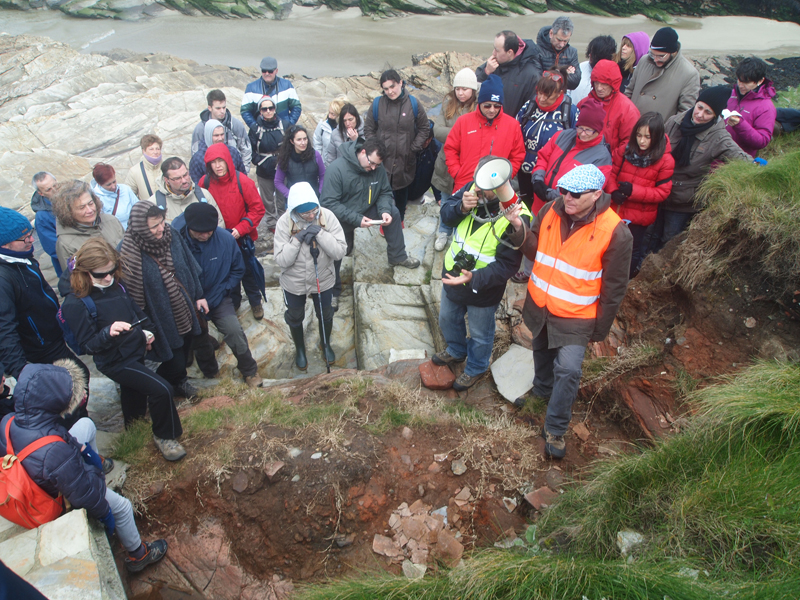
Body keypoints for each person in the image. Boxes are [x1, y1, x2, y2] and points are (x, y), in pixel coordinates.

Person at [0, 360, 169, 572]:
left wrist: (79, 451)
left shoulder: (9, 420)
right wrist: (106, 515)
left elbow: (52, 439)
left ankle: (98, 462)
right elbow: (87, 496)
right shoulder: (55, 452)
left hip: (37, 467)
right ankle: (138, 555)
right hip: (50, 492)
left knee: (86, 425)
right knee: (123, 508)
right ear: (52, 400)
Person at [517, 164, 633, 458]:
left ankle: (555, 428)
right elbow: (534, 250)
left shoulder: (615, 232)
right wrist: (518, 231)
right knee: (540, 351)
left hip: (577, 316)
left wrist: (599, 328)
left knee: (568, 370)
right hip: (541, 303)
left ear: (596, 195)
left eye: (575, 194)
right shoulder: (551, 210)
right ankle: (541, 391)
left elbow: (615, 287)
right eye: (564, 190)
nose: (566, 198)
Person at [60, 238, 187, 461]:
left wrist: (147, 331)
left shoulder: (115, 284)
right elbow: (88, 345)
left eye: (112, 270)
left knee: (133, 393)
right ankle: (165, 437)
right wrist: (108, 331)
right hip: (115, 361)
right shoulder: (75, 304)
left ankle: (134, 432)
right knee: (162, 389)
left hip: (134, 351)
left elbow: (135, 311)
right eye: (101, 274)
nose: (108, 277)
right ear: (84, 272)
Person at [434, 161, 531, 391]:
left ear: (500, 186)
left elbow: (507, 266)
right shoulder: (471, 190)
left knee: (480, 333)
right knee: (447, 319)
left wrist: (473, 278)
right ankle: (456, 350)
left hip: (483, 288)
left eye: (484, 186)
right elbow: (446, 216)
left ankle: (476, 367)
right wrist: (461, 208)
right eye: (476, 181)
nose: (477, 189)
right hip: (453, 275)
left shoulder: (517, 215)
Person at [0, 207, 91, 428]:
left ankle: (81, 424)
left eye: (30, 233)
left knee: (79, 379)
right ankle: (72, 433)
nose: (32, 239)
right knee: (70, 386)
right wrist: (22, 371)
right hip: (39, 348)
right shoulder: (3, 278)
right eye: (24, 237)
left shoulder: (22, 258)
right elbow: (5, 328)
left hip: (51, 338)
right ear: (5, 243)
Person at [119, 201, 206, 401]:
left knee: (184, 349)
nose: (160, 228)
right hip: (158, 316)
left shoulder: (171, 235)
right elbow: (130, 294)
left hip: (183, 307)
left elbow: (189, 266)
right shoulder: (128, 252)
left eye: (161, 222)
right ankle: (159, 389)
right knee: (172, 358)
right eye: (154, 226)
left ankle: (179, 383)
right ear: (141, 227)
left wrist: (199, 295)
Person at [320, 139, 421, 310]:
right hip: (340, 219)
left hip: (366, 210)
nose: (374, 168)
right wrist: (356, 219)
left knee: (394, 213)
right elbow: (329, 204)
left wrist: (384, 211)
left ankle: (398, 256)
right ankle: (333, 291)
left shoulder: (377, 169)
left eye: (377, 164)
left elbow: (384, 192)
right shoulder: (337, 169)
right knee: (335, 253)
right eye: (372, 163)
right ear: (362, 152)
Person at [175, 203, 263, 387]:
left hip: (218, 296)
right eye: (200, 232)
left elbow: (238, 270)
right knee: (198, 337)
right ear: (189, 227)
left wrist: (221, 292)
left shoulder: (225, 239)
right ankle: (211, 373)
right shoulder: (176, 243)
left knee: (234, 331)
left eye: (210, 231)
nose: (206, 235)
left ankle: (249, 370)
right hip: (188, 300)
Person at [658, 86, 750, 247]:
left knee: (668, 242)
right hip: (659, 192)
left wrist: (760, 167)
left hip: (683, 202)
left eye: (708, 112)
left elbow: (742, 160)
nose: (700, 115)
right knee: (648, 237)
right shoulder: (675, 122)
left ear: (716, 115)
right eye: (699, 107)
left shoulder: (719, 137)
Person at [513, 68, 578, 284]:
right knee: (525, 213)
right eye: (539, 92)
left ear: (559, 93)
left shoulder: (569, 112)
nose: (541, 98)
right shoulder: (529, 106)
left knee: (548, 221)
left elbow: (575, 144)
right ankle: (525, 252)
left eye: (547, 94)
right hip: (524, 170)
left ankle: (545, 263)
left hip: (550, 177)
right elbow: (515, 129)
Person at [274, 182, 347, 371]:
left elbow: (340, 251)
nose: (312, 216)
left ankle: (326, 344)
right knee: (295, 315)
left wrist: (321, 234)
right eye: (306, 213)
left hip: (322, 277)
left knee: (326, 313)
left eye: (315, 210)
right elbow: (282, 260)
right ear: (295, 210)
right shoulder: (284, 223)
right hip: (294, 281)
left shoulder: (327, 217)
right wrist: (297, 240)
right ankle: (300, 349)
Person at [199, 143, 266, 319]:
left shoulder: (243, 181)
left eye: (221, 160)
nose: (218, 165)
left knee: (248, 272)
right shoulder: (204, 184)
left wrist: (240, 228)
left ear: (228, 160)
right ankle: (234, 303)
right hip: (218, 241)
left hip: (241, 239)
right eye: (213, 162)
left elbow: (257, 209)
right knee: (227, 276)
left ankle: (255, 302)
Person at [443, 74, 525, 218]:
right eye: (487, 105)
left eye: (497, 106)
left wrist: (506, 177)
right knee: (456, 219)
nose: (492, 110)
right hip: (465, 185)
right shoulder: (463, 121)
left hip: (496, 188)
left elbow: (517, 155)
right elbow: (450, 149)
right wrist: (457, 172)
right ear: (479, 103)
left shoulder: (512, 125)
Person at [607, 112, 674, 277]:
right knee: (608, 246)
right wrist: (613, 190)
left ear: (656, 137)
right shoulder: (625, 150)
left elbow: (662, 192)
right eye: (638, 135)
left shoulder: (665, 161)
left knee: (630, 251)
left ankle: (623, 284)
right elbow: (610, 172)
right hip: (615, 210)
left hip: (639, 218)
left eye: (647, 137)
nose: (641, 141)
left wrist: (633, 191)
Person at [364, 69, 430, 222]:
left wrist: (413, 148)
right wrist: (375, 150)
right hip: (382, 160)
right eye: (386, 89)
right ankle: (382, 219)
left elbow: (424, 128)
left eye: (392, 86)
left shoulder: (413, 103)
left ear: (400, 83)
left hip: (405, 159)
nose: (390, 91)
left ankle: (399, 219)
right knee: (381, 191)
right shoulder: (377, 104)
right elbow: (369, 128)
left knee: (402, 191)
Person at [530, 98, 612, 213]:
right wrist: (538, 180)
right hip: (539, 206)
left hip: (563, 211)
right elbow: (543, 157)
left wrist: (550, 194)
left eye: (588, 130)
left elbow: (587, 192)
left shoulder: (602, 158)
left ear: (598, 130)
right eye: (580, 128)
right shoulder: (562, 136)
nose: (583, 134)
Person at [431, 68, 479, 252]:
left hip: (468, 164)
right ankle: (444, 232)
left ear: (473, 90)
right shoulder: (448, 105)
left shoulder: (478, 108)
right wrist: (462, 133)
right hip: (446, 163)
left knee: (465, 199)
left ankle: (461, 234)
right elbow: (437, 131)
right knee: (446, 198)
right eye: (458, 88)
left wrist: (454, 135)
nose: (460, 92)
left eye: (465, 89)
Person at [623, 27, 701, 121]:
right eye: (652, 54)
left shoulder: (689, 74)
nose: (655, 60)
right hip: (629, 125)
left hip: (657, 133)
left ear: (673, 52)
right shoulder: (644, 60)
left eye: (661, 56)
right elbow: (629, 92)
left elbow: (684, 115)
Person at [52, 180, 125, 272]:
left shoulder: (112, 220)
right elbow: (75, 279)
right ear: (68, 212)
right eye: (82, 207)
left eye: (91, 203)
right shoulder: (65, 244)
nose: (90, 210)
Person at [578, 60, 641, 155]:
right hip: (582, 157)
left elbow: (629, 142)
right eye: (596, 83)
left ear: (613, 84)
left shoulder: (628, 110)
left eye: (604, 84)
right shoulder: (584, 103)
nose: (599, 88)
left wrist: (610, 160)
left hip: (610, 162)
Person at [250, 96, 291, 235]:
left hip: (281, 167)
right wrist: (259, 162)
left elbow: (290, 144)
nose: (268, 111)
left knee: (281, 197)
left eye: (271, 108)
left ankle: (282, 220)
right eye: (264, 109)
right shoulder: (255, 129)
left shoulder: (284, 125)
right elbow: (250, 150)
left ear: (275, 109)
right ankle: (271, 223)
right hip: (264, 169)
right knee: (267, 199)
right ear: (260, 111)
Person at [475, 30, 540, 118]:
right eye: (494, 48)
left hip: (512, 126)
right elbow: (473, 88)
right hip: (487, 123)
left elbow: (532, 107)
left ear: (509, 52)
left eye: (497, 50)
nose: (493, 53)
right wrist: (486, 72)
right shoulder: (492, 64)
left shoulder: (531, 75)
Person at [147, 157, 224, 227]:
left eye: (185, 175)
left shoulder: (204, 195)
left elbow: (219, 225)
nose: (184, 181)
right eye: (177, 178)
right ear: (167, 181)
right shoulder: (154, 203)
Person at [725, 57, 777, 158]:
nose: (740, 85)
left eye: (746, 82)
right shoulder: (729, 95)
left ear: (760, 80)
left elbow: (762, 141)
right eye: (739, 80)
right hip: (713, 154)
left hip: (737, 160)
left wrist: (740, 124)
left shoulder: (766, 107)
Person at [191, 89, 252, 171]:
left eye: (224, 107)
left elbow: (246, 149)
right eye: (218, 108)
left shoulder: (236, 125)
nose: (222, 111)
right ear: (210, 108)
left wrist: (244, 172)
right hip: (210, 176)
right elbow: (195, 154)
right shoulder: (200, 129)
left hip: (234, 174)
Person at [240, 57, 301, 128]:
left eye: (270, 71)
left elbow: (296, 107)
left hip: (283, 131)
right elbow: (245, 111)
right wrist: (255, 127)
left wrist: (289, 125)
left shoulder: (287, 85)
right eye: (264, 71)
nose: (267, 73)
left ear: (276, 71)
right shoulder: (251, 88)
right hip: (261, 132)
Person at [275, 124, 326, 199]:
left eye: (305, 139)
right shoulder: (285, 158)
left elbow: (323, 175)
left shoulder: (315, 155)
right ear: (292, 141)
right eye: (299, 140)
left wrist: (320, 192)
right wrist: (290, 195)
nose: (303, 143)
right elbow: (278, 181)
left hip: (314, 198)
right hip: (294, 200)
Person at [189, 119, 247, 184]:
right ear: (208, 136)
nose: (220, 138)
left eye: (222, 134)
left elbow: (242, 176)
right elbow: (197, 185)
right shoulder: (197, 159)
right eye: (216, 135)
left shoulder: (232, 152)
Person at [533, 16, 581, 91]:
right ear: (551, 33)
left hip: (561, 96)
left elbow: (575, 82)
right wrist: (564, 74)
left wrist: (550, 75)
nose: (561, 45)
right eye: (559, 40)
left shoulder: (572, 52)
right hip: (541, 94)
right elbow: (537, 79)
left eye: (565, 41)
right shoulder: (536, 50)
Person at [568, 35, 617, 104]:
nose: (590, 55)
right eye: (590, 52)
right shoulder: (580, 67)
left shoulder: (612, 74)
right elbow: (568, 90)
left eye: (594, 54)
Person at [30, 171, 61, 275]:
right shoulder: (42, 217)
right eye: (49, 190)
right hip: (70, 266)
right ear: (41, 193)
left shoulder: (72, 197)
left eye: (55, 185)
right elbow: (53, 248)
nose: (55, 190)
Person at [90, 163, 138, 230]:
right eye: (108, 184)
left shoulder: (125, 189)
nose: (113, 186)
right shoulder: (96, 198)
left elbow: (138, 207)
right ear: (99, 184)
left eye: (114, 182)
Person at [125, 134, 165, 202]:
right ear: (144, 151)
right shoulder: (134, 171)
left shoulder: (168, 167)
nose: (155, 152)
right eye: (151, 149)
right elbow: (129, 196)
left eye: (157, 149)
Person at [324, 103, 364, 167]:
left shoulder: (365, 131)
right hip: (340, 171)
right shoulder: (336, 133)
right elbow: (330, 158)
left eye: (350, 120)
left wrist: (356, 141)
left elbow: (367, 156)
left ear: (356, 118)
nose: (348, 123)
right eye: (345, 121)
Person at [313, 97, 348, 164]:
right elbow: (317, 141)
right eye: (329, 113)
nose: (329, 116)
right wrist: (318, 159)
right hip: (325, 164)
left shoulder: (345, 128)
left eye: (333, 114)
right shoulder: (322, 125)